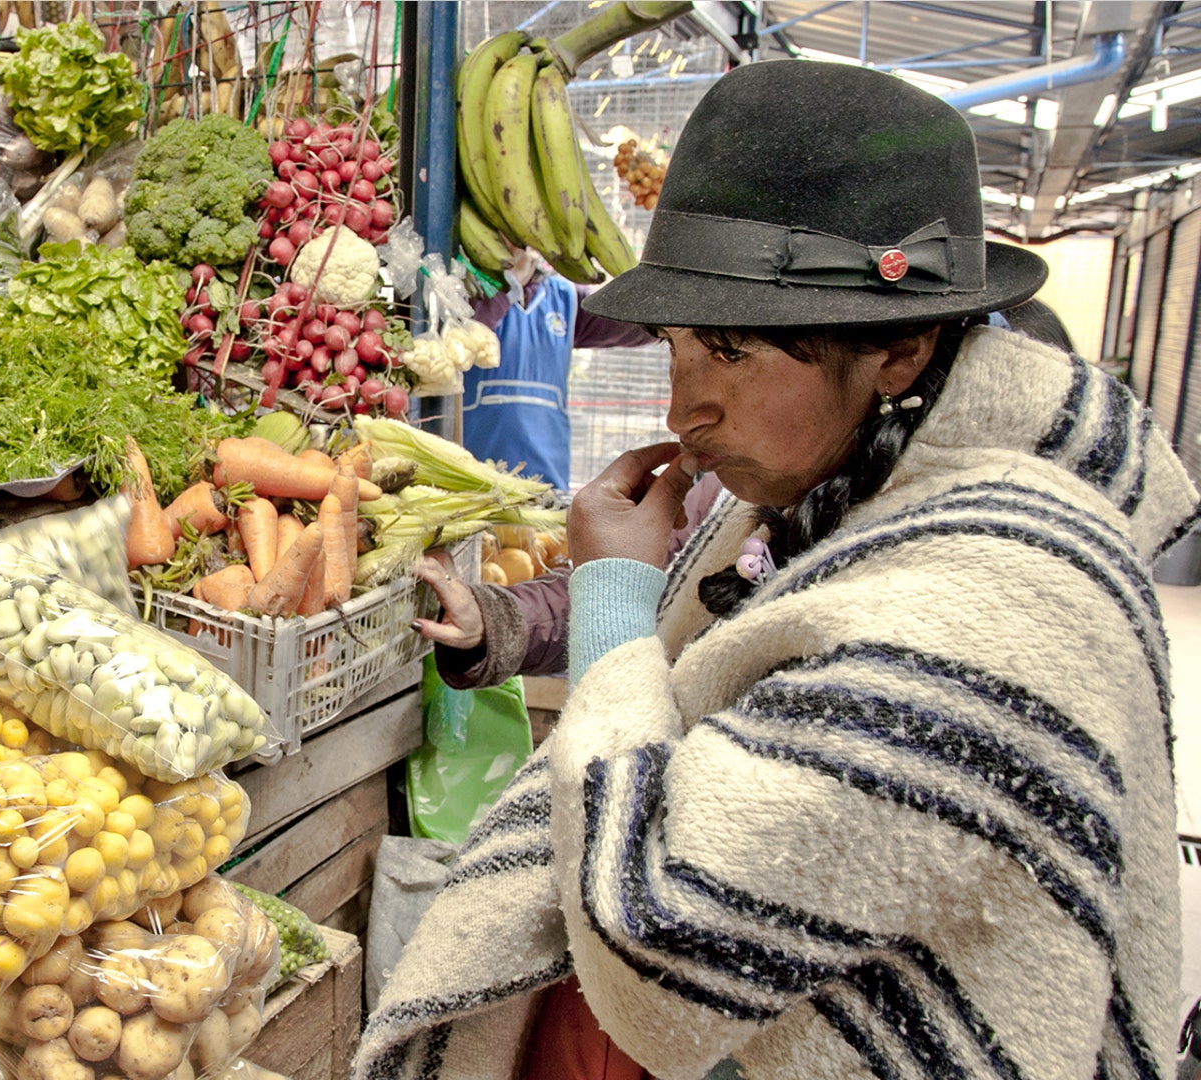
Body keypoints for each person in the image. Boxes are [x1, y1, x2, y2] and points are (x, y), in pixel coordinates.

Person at [355, 60, 1196, 1080]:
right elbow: (701, 632)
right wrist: (517, 617)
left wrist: (616, 601)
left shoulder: (1004, 595)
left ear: (902, 347)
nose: (682, 409)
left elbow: (661, 938)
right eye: (675, 345)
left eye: (730, 349)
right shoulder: (826, 490)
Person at [462, 254, 658, 491]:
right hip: (472, 481)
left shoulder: (565, 298)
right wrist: (509, 285)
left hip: (547, 484)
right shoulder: (469, 294)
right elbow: (461, 339)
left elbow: (637, 326)